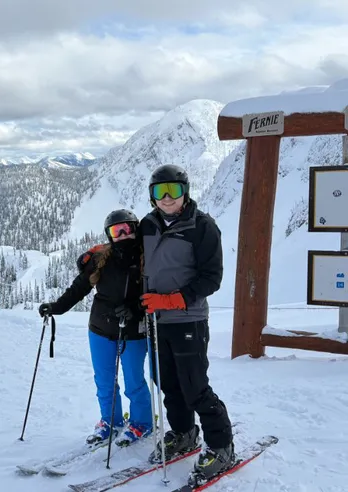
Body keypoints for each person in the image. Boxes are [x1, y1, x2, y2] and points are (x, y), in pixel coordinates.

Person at [139, 164, 234, 480]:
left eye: (174, 191)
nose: (167, 198)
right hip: (158, 321)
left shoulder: (202, 226)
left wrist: (172, 300)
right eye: (159, 192)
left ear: (185, 192)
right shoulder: (148, 225)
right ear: (152, 197)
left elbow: (212, 278)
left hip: (188, 320)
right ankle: (183, 433)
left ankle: (221, 446)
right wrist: (99, 257)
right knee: (168, 383)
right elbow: (131, 259)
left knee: (194, 386)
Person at [39, 209, 153, 448]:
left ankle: (142, 422)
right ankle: (110, 421)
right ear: (109, 235)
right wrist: (57, 307)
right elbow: (79, 288)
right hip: (100, 329)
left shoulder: (149, 259)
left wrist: (136, 308)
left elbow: (155, 293)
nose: (122, 235)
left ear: (136, 229)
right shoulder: (101, 259)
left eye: (127, 229)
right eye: (116, 230)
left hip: (134, 331)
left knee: (134, 381)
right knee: (104, 380)